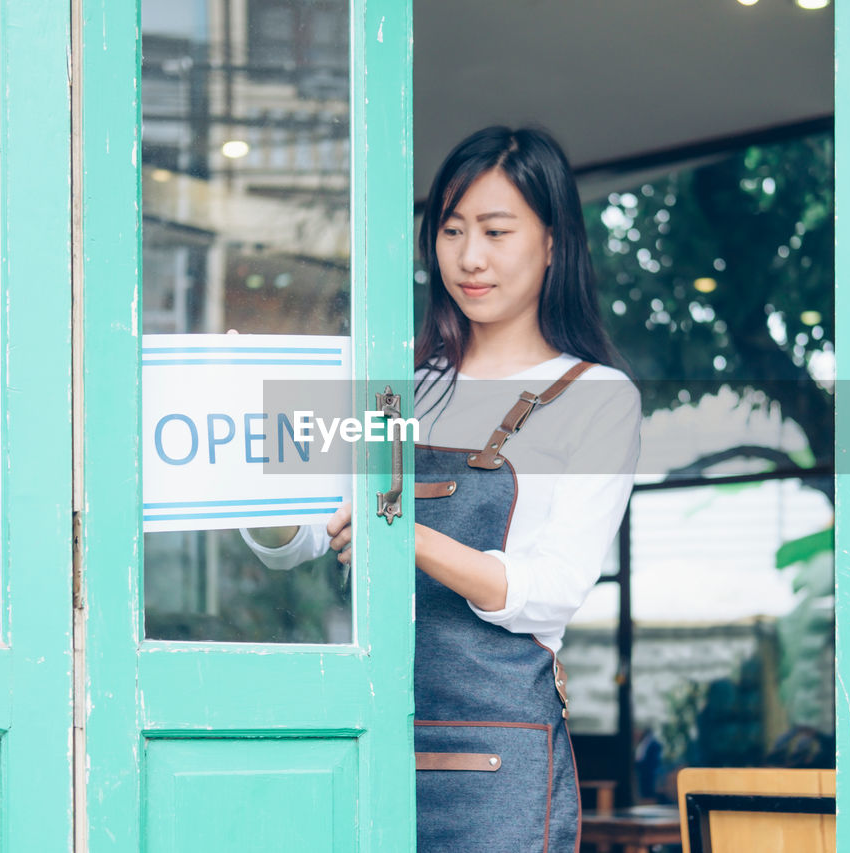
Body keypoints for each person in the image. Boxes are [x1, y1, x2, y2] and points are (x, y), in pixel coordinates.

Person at [245, 126, 641, 852]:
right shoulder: (400, 384)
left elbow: (550, 589)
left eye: (495, 230)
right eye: (451, 230)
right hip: (369, 734)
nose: (469, 257)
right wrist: (244, 483)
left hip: (498, 757)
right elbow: (304, 531)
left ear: (554, 242)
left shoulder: (599, 398)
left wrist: (404, 537)